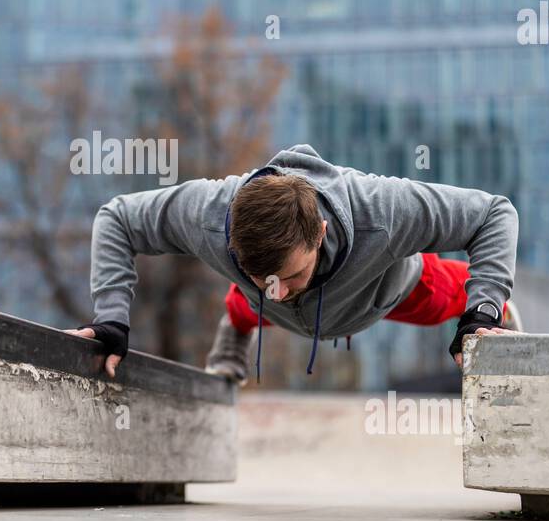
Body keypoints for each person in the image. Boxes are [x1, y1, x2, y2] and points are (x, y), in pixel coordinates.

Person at [65, 143, 521, 384]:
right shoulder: (206, 213)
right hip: (261, 309)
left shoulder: (381, 209)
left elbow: (494, 213)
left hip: (385, 292)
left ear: (320, 232)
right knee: (252, 305)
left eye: (291, 274)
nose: (280, 289)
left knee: (454, 296)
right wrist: (110, 321)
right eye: (265, 278)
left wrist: (483, 310)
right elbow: (117, 217)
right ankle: (235, 330)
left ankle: (495, 315)